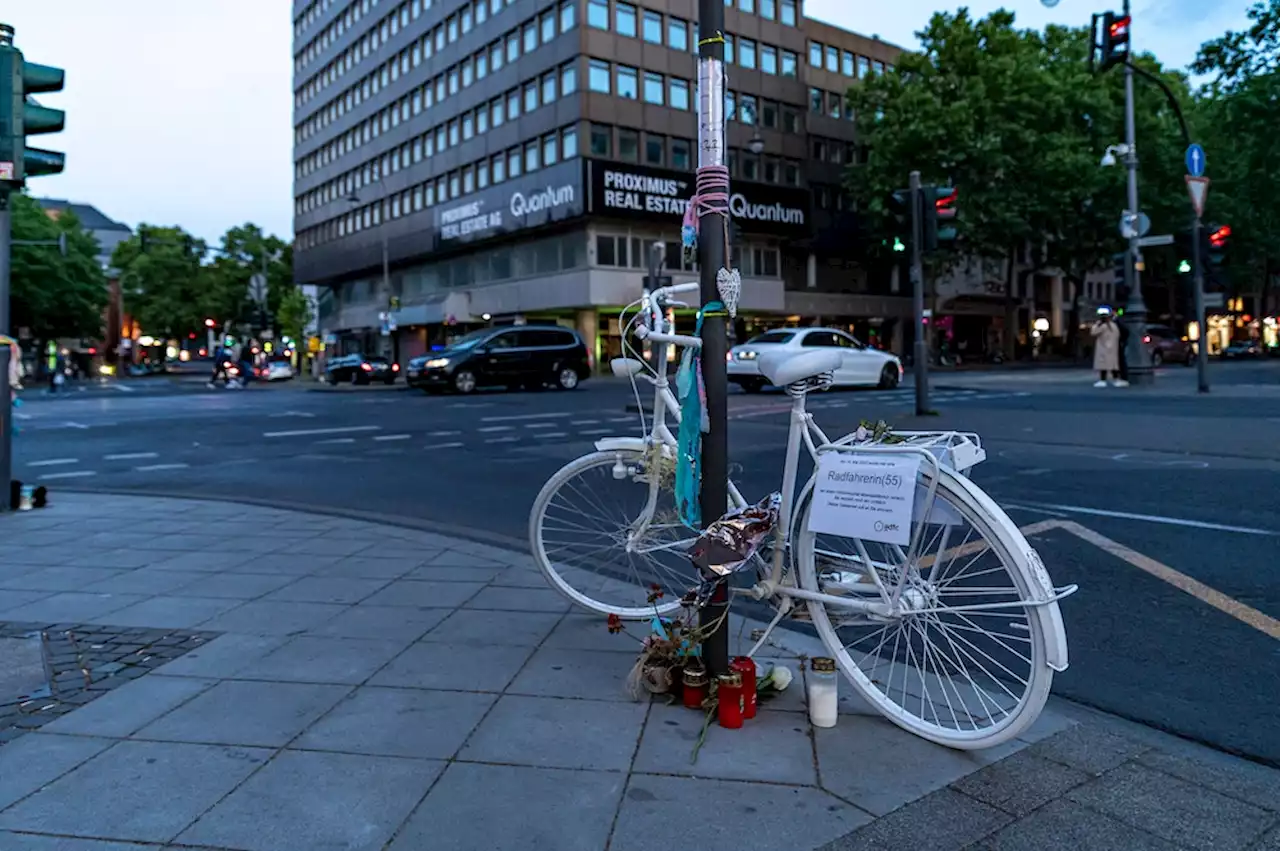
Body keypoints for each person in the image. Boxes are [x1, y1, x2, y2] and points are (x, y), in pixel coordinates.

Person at [1090, 307, 1127, 387]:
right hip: (1113, 347)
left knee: (1103, 365)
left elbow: (1093, 332)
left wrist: (1097, 324)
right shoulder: (1113, 325)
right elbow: (1118, 335)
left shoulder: (1101, 325)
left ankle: (1103, 380)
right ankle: (1116, 379)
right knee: (1113, 365)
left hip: (1103, 347)